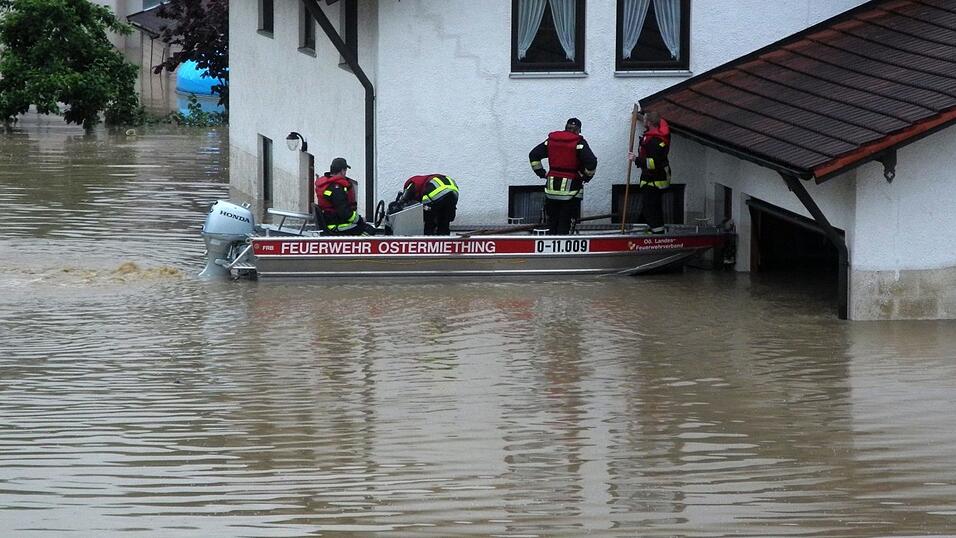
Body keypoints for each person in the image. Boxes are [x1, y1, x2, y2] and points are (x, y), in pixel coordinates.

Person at [528, 117, 598, 235]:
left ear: (566, 127)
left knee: (552, 222)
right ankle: (564, 250)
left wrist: (542, 173)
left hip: (551, 190)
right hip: (571, 191)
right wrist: (585, 177)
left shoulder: (551, 141)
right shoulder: (579, 143)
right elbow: (591, 162)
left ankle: (551, 250)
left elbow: (533, 155)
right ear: (578, 130)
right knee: (566, 224)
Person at [626, 110, 671, 232]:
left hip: (655, 179)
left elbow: (653, 163)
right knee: (651, 207)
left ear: (650, 123)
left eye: (645, 120)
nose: (643, 121)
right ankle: (654, 230)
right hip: (652, 178)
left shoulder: (655, 141)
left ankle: (657, 236)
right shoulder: (656, 134)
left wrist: (636, 159)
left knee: (651, 208)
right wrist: (638, 116)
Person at [314, 157, 376, 235]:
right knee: (369, 231)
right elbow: (345, 213)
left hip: (330, 222)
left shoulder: (327, 184)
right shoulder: (337, 189)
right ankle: (357, 246)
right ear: (342, 171)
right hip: (336, 225)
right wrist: (360, 219)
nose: (345, 173)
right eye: (345, 170)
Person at [396, 173, 460, 235]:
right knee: (445, 218)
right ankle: (444, 236)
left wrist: (398, 206)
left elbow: (404, 199)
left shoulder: (412, 183)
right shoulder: (427, 180)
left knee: (428, 215)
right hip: (453, 191)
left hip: (435, 192)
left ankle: (429, 235)